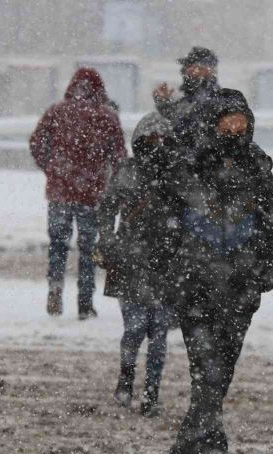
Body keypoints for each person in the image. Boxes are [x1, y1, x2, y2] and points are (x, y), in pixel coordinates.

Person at [165, 89, 273, 454]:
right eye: (226, 121)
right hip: (195, 290)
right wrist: (172, 274)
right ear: (213, 123)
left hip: (239, 291)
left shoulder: (256, 166)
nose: (234, 128)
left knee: (217, 379)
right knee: (208, 377)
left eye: (240, 121)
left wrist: (263, 275)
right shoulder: (191, 163)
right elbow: (168, 223)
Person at [96, 112, 182, 418]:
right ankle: (126, 380)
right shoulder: (127, 171)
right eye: (151, 140)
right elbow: (106, 209)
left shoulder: (177, 176)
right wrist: (107, 242)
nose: (157, 146)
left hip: (166, 264)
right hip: (131, 261)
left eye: (163, 140)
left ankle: (151, 392)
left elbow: (191, 218)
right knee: (134, 329)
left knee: (158, 334)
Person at [30, 68, 126, 320]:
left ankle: (55, 287)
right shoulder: (107, 116)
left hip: (60, 191)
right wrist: (110, 180)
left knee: (58, 244)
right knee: (88, 249)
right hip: (92, 194)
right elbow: (119, 157)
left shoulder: (56, 111)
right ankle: (85, 302)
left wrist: (52, 169)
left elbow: (36, 143)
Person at [153, 46, 225, 158]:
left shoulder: (211, 98)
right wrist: (163, 102)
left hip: (199, 167)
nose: (185, 71)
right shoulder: (191, 98)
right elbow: (176, 116)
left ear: (207, 70)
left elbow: (187, 127)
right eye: (186, 67)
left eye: (191, 67)